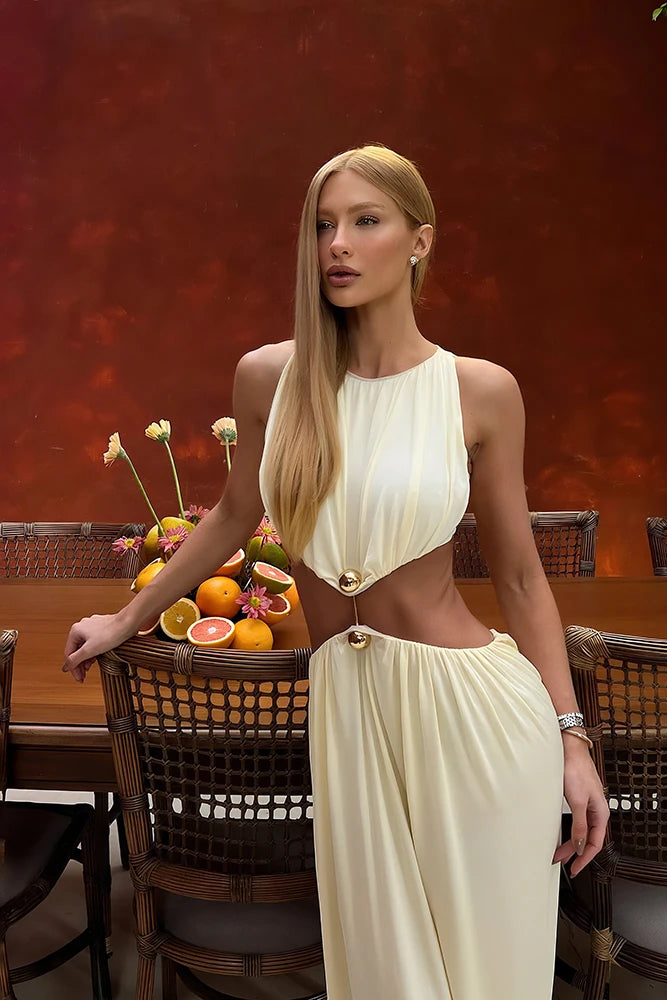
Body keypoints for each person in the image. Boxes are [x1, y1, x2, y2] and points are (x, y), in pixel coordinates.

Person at [63, 143, 609, 999]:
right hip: (350, 718)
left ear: (420, 241)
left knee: (490, 979)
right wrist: (126, 618)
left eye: (365, 221)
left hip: (478, 719)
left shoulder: (479, 391)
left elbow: (520, 580)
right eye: (323, 226)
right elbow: (232, 516)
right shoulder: (271, 378)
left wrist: (572, 738)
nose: (338, 246)